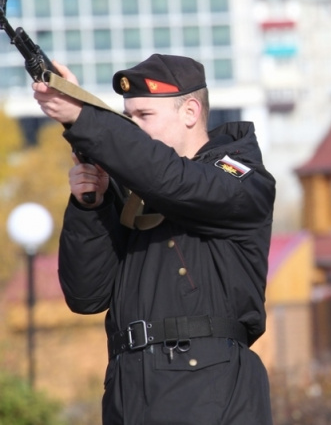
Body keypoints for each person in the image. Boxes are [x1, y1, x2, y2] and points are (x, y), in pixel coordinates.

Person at [32, 53, 276, 425]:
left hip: (208, 391)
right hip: (129, 393)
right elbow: (86, 296)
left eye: (144, 116)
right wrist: (92, 206)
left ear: (190, 112)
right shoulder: (134, 197)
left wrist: (83, 117)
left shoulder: (239, 177)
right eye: (128, 118)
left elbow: (172, 181)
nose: (134, 127)